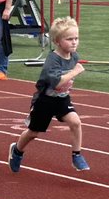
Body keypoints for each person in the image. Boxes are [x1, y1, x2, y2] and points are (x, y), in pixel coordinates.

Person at [8, 17, 88, 173]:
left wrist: (71, 76)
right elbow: (56, 82)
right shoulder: (52, 60)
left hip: (62, 98)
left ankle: (76, 154)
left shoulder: (74, 56)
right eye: (69, 39)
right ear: (57, 41)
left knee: (76, 122)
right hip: (45, 100)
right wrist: (74, 72)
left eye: (76, 38)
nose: (74, 42)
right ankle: (17, 150)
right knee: (33, 133)